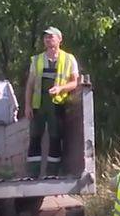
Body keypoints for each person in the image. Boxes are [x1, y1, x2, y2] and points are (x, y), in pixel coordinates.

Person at [24, 26, 79, 178]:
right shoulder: (37, 59)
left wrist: (61, 88)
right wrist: (27, 105)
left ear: (59, 39)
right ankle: (33, 174)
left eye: (51, 36)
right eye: (46, 37)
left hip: (57, 105)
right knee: (35, 137)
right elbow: (30, 84)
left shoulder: (69, 59)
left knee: (55, 138)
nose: (48, 39)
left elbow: (74, 83)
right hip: (38, 105)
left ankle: (52, 174)